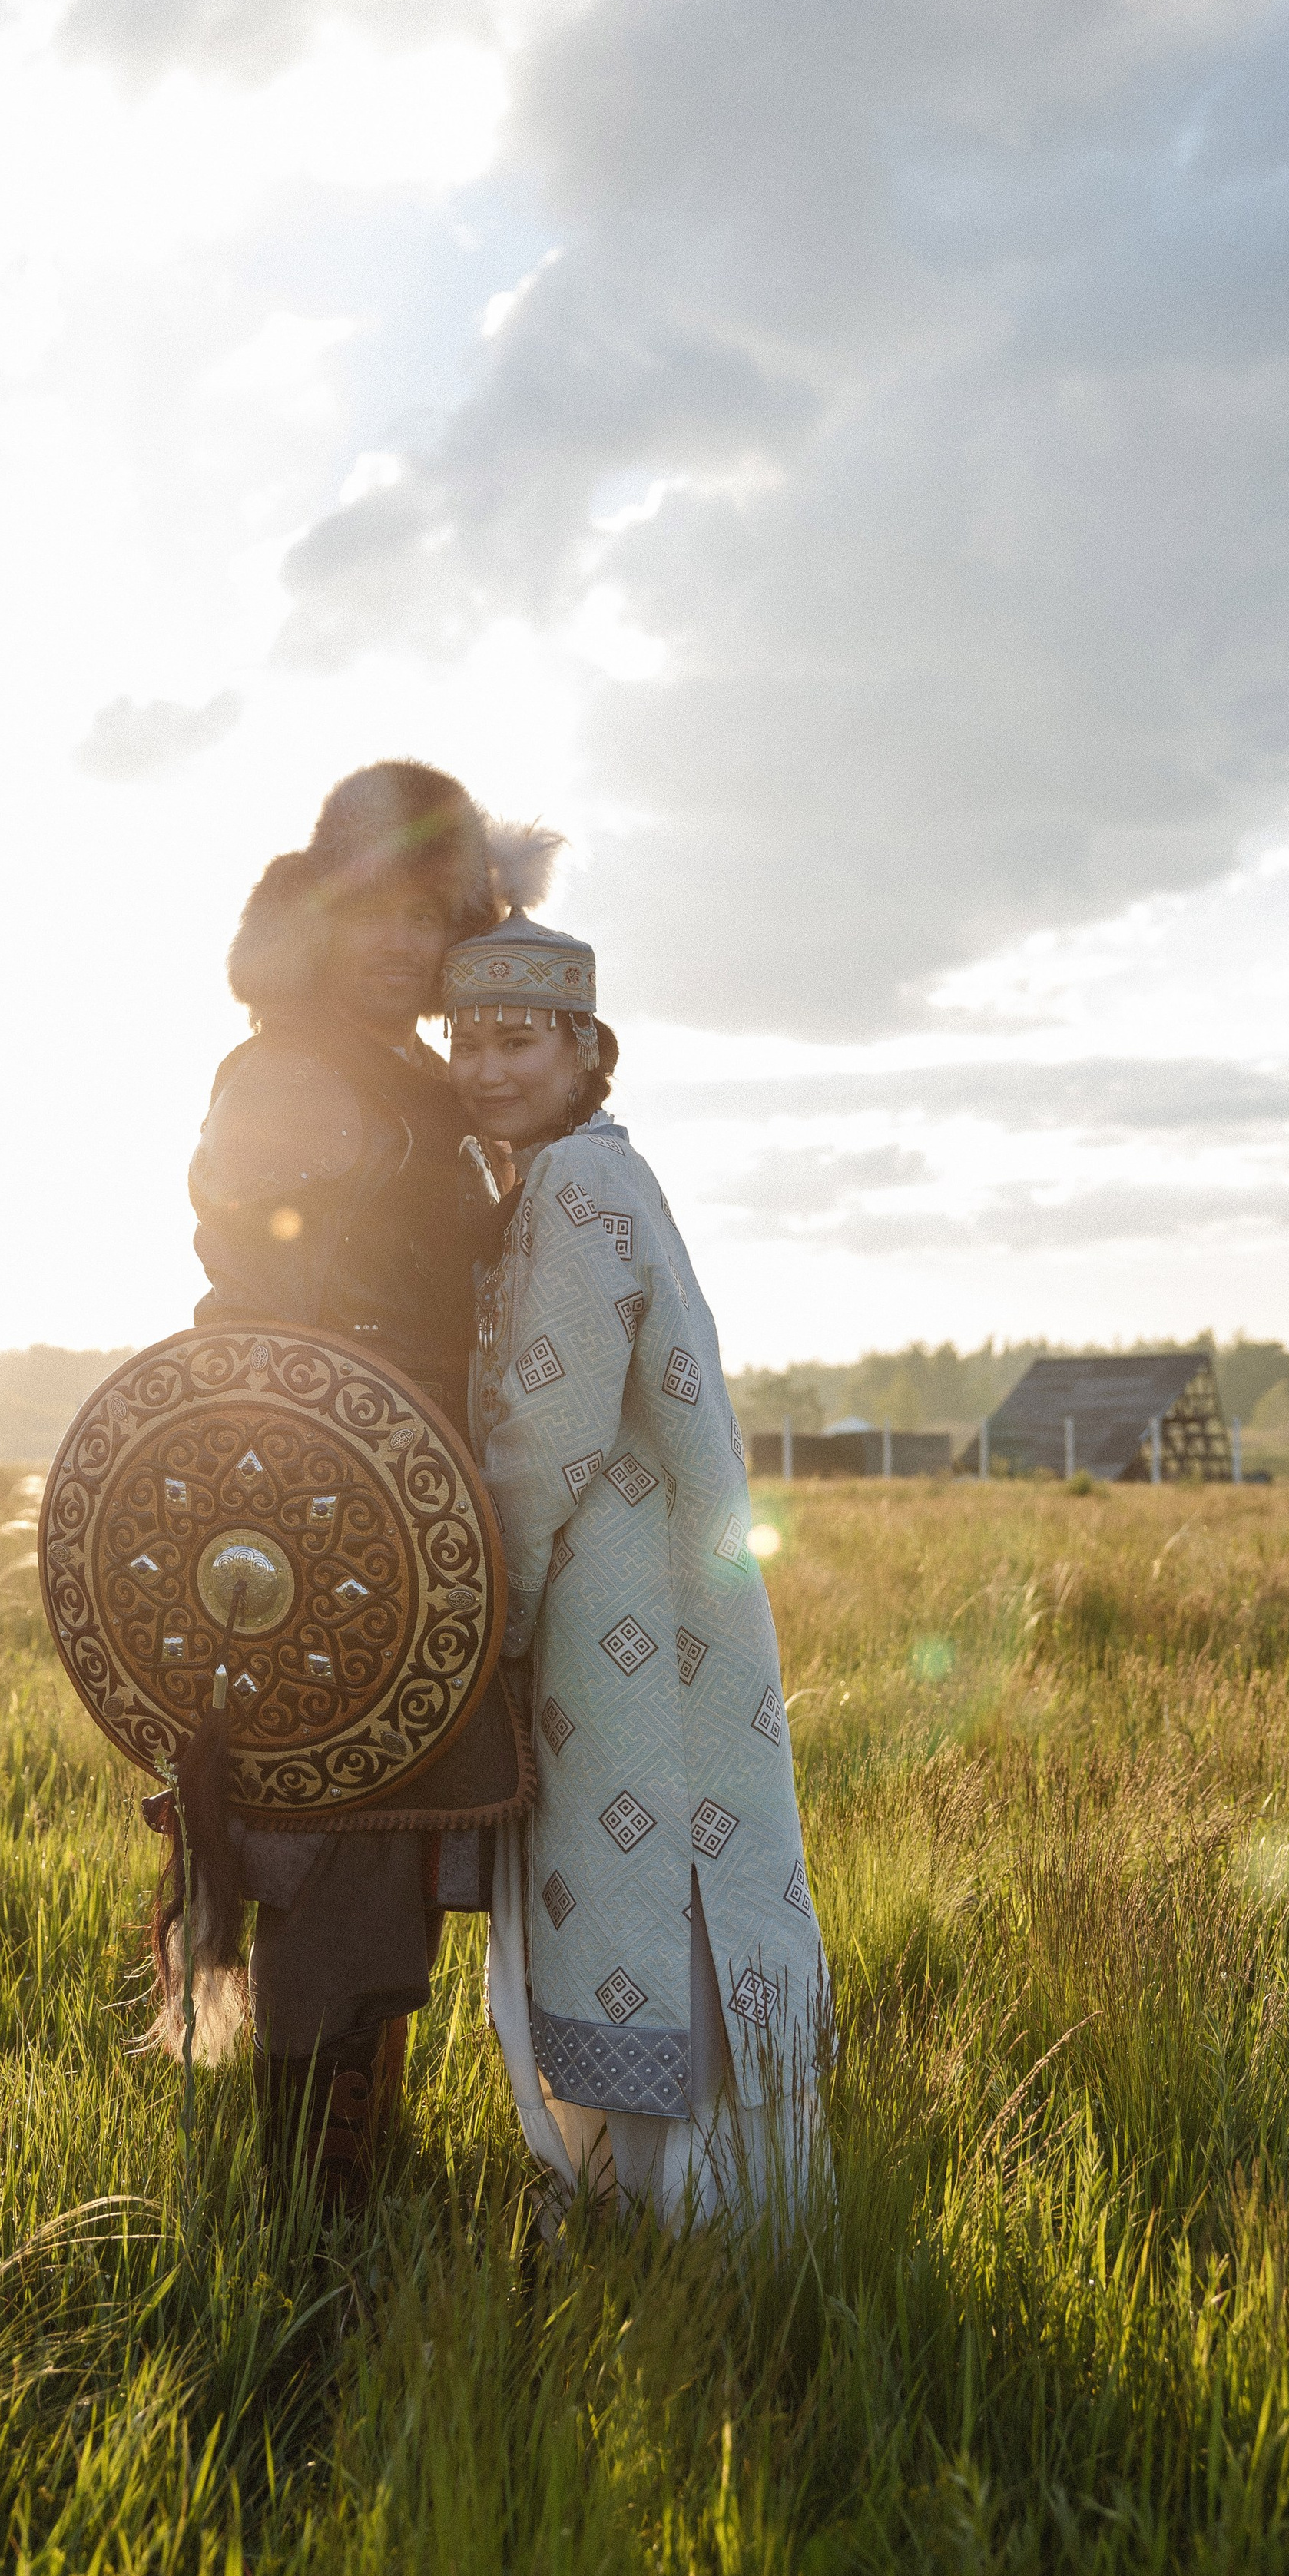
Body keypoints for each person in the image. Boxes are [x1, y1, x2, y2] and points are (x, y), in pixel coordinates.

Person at [177, 760, 557, 2204]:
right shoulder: (288, 1066)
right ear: (323, 914)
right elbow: (249, 1275)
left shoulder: (411, 1070)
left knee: (389, 1822)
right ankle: (308, 2182)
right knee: (335, 1820)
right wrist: (320, 1439)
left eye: (432, 914)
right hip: (317, 1481)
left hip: (415, 1478)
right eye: (375, 912)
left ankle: (353, 2140)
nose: (402, 942)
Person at [445, 907, 829, 2232]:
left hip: (625, 1629)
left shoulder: (574, 1184)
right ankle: (681, 2210)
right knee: (663, 1889)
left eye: (518, 1039)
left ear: (586, 1047)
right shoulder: (585, 1173)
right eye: (466, 1039)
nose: (487, 1066)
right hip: (663, 1615)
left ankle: (677, 2224)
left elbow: (543, 1433)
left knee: (649, 1893)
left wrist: (487, 1619)